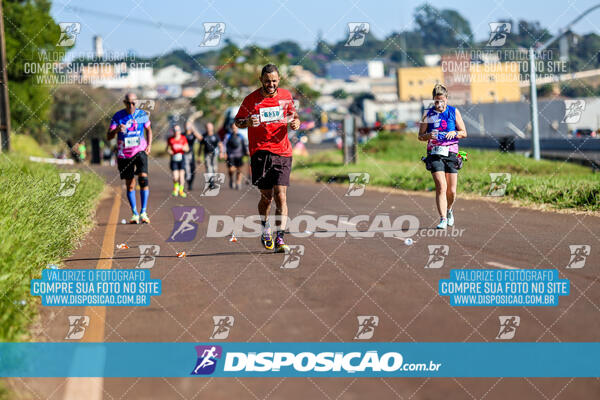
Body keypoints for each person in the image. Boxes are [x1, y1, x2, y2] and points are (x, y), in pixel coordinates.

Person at [235, 64, 300, 253]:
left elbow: (293, 115)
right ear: (261, 80)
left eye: (274, 81)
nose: (270, 84)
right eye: (267, 81)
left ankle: (280, 237)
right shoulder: (251, 100)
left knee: (281, 195)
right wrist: (246, 122)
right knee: (267, 198)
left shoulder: (286, 96)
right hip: (260, 152)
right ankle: (265, 229)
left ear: (279, 80)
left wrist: (296, 122)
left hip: (282, 151)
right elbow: (237, 121)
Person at [418, 83, 467, 230]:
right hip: (434, 152)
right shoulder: (428, 114)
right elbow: (420, 136)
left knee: (451, 191)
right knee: (441, 186)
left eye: (441, 100)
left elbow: (464, 132)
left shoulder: (453, 112)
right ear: (433, 100)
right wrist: (428, 135)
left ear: (446, 99)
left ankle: (449, 210)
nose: (439, 104)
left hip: (451, 152)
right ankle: (443, 219)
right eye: (436, 101)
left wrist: (455, 133)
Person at [107, 92, 153, 224]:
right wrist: (116, 131)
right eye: (128, 103)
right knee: (130, 184)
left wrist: (149, 145)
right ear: (124, 103)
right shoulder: (118, 116)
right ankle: (134, 213)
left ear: (136, 103)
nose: (131, 105)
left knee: (143, 179)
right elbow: (109, 136)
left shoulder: (142, 115)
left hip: (140, 150)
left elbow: (149, 129)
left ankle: (144, 211)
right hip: (124, 154)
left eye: (133, 103)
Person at [199, 122, 225, 190]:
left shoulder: (216, 135)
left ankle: (212, 180)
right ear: (206, 128)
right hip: (207, 154)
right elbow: (201, 146)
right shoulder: (204, 136)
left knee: (214, 168)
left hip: (214, 154)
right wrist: (199, 156)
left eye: (210, 127)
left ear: (212, 128)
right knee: (209, 168)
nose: (209, 129)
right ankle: (211, 182)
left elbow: (220, 144)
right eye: (207, 127)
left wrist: (221, 152)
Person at [167, 124, 190, 198]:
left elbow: (187, 148)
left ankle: (181, 190)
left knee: (181, 176)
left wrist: (184, 148)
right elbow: (168, 149)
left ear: (180, 131)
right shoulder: (170, 139)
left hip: (181, 158)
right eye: (175, 130)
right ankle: (175, 188)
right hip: (174, 159)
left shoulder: (183, 138)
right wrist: (169, 151)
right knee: (175, 177)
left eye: (177, 130)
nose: (176, 131)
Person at [224, 123, 248, 190]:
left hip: (239, 155)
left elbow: (244, 145)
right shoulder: (228, 136)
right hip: (231, 155)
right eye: (233, 128)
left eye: (235, 127)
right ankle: (231, 179)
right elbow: (224, 145)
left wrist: (246, 152)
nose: (234, 129)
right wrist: (224, 153)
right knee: (231, 169)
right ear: (231, 128)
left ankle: (238, 182)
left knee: (240, 170)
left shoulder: (241, 136)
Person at [183, 120, 203, 190]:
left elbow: (200, 138)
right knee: (186, 169)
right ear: (184, 126)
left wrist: (193, 129)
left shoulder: (193, 134)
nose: (187, 127)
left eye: (189, 125)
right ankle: (188, 181)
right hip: (184, 154)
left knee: (193, 169)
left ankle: (191, 184)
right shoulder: (182, 134)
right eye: (186, 125)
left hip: (192, 154)